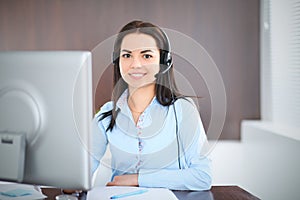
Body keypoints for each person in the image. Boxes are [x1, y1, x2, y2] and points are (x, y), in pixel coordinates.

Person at [91, 20, 212, 191]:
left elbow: (202, 177)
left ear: (164, 61)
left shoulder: (183, 110)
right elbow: (81, 171)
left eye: (146, 56)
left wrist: (138, 179)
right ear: (117, 60)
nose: (135, 64)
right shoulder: (107, 114)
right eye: (127, 55)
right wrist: (69, 185)